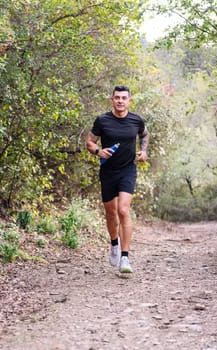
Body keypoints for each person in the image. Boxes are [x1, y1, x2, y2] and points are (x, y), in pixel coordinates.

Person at [86, 85, 149, 273]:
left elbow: (145, 134)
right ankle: (114, 243)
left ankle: (125, 258)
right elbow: (90, 142)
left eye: (124, 98)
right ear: (112, 100)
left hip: (128, 170)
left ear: (129, 100)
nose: (120, 101)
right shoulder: (102, 120)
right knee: (111, 212)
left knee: (123, 209)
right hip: (108, 171)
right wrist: (98, 151)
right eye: (117, 98)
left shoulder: (136, 120)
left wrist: (144, 151)